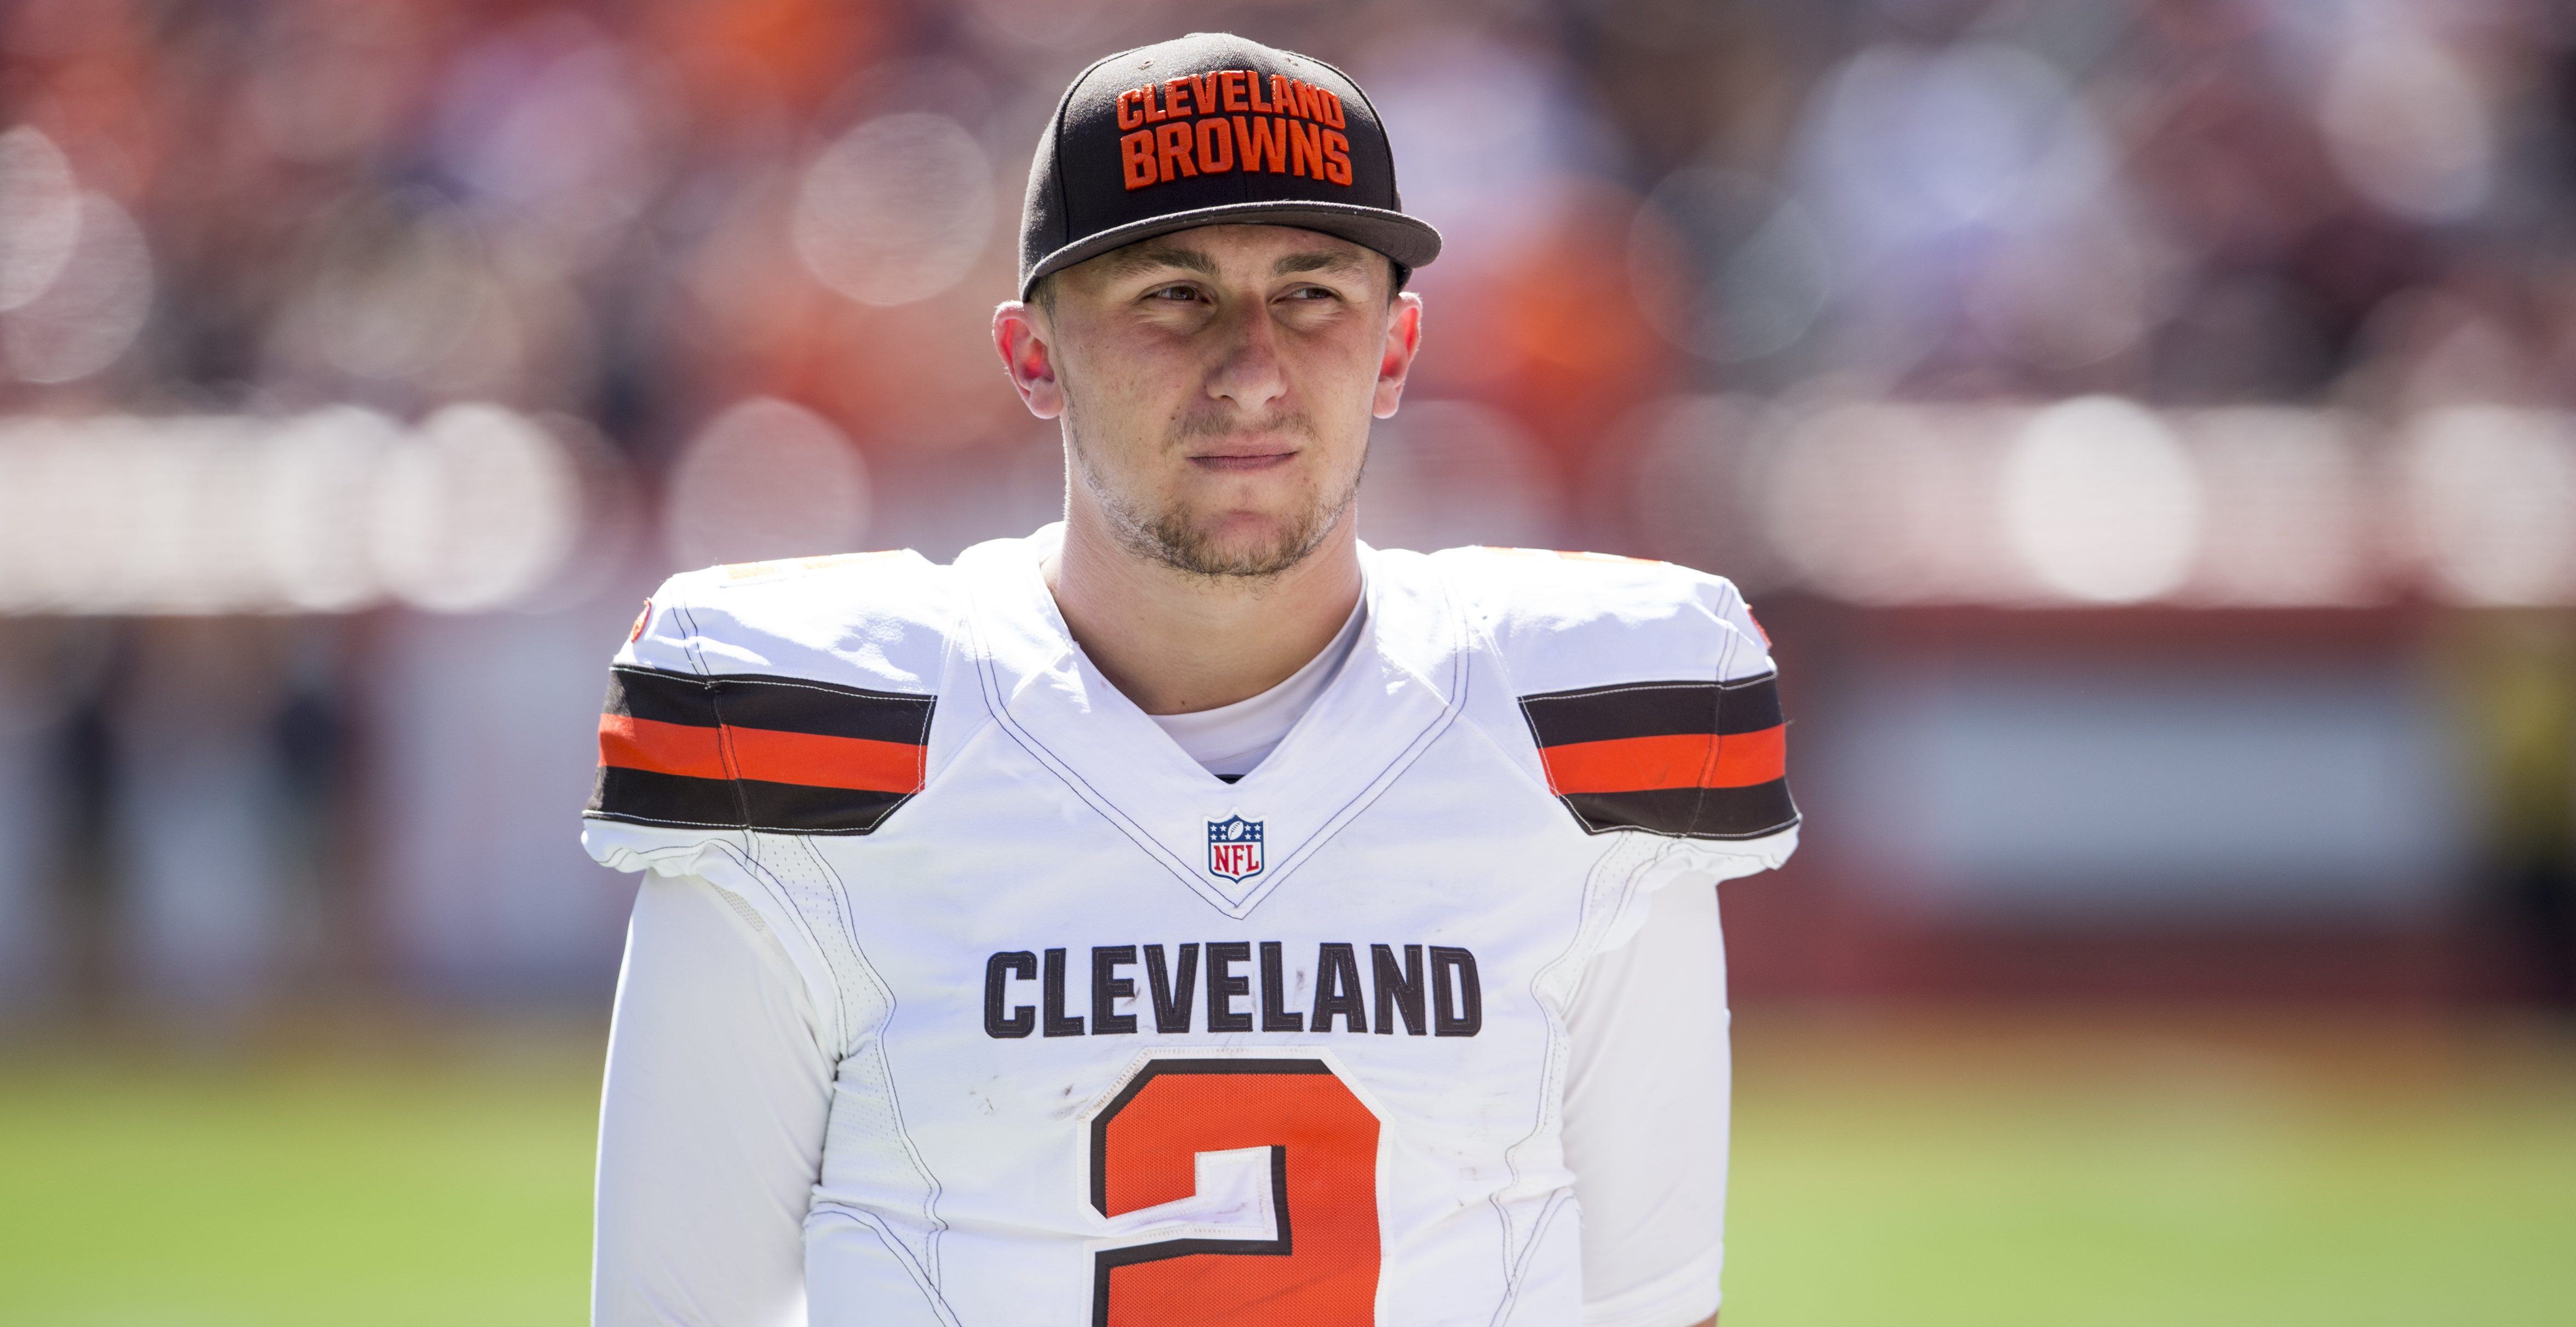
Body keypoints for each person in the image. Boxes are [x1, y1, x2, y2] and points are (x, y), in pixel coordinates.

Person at [583, 32, 1796, 1327]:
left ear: (1394, 350)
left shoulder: (1575, 737)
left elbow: (1651, 1305)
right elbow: (676, 1304)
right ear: (1034, 355)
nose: (1253, 367)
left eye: (1315, 294)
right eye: (1173, 294)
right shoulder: (822, 740)